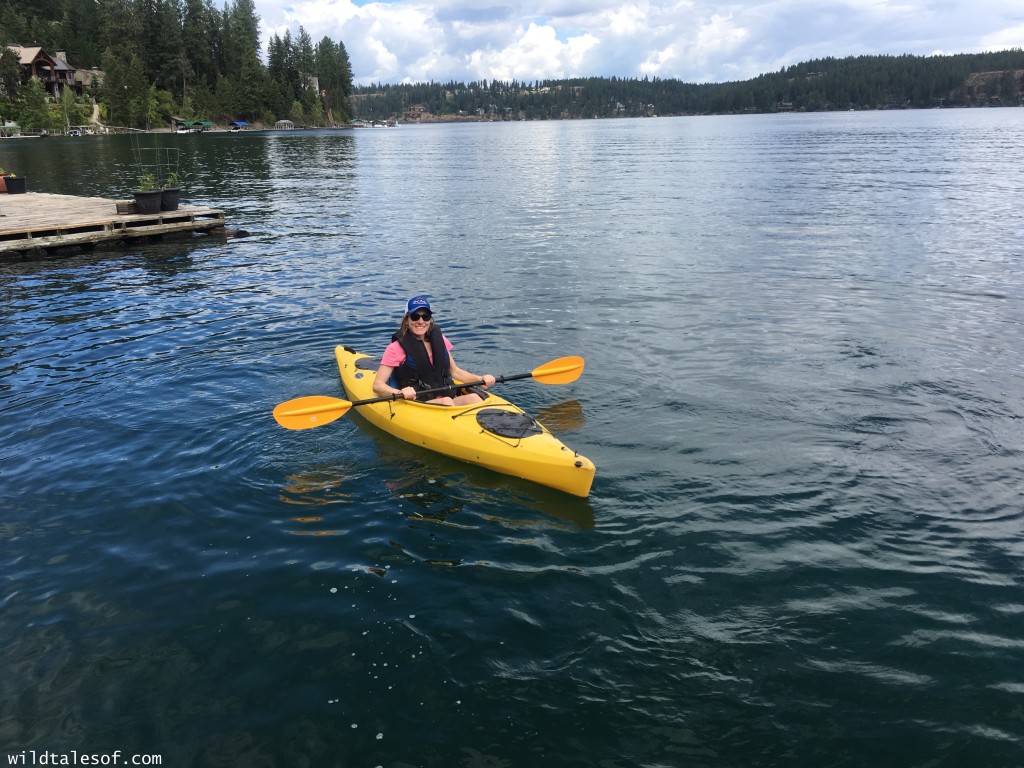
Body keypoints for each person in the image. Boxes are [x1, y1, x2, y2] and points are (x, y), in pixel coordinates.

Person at [373, 296, 497, 406]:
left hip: (447, 397)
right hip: (418, 402)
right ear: (407, 320)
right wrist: (400, 392)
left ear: (430, 319)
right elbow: (378, 386)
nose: (420, 321)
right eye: (415, 316)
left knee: (474, 398)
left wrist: (481, 379)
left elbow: (456, 372)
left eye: (425, 317)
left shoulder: (440, 339)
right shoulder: (395, 348)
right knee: (446, 402)